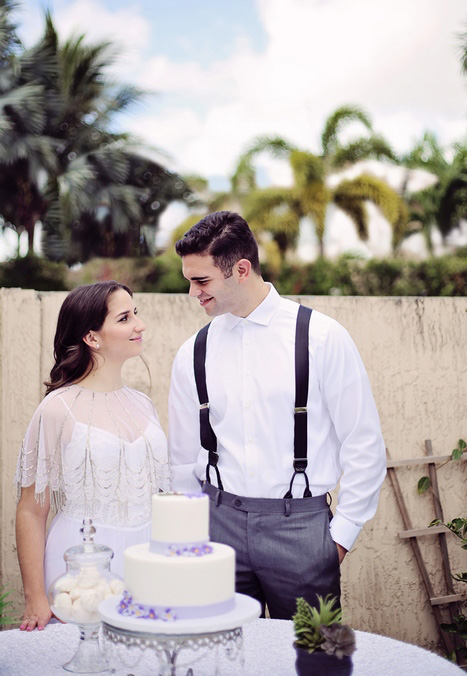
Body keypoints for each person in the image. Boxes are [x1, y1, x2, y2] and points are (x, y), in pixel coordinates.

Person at [168, 211, 386, 620]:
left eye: (202, 281)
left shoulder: (320, 337)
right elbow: (182, 460)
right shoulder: (193, 352)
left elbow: (364, 443)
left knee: (313, 657)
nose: (193, 293)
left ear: (242, 269)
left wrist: (337, 540)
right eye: (189, 281)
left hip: (301, 532)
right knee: (225, 656)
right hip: (218, 531)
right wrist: (193, 537)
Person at [15, 281, 170, 631]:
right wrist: (35, 597)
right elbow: (30, 509)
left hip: (146, 560)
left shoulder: (144, 405)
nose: (139, 325)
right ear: (92, 338)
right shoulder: (57, 409)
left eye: (136, 314)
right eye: (125, 317)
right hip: (82, 566)